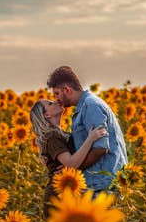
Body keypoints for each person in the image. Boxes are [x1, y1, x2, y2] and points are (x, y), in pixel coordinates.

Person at [47, 66, 128, 199]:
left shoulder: (90, 105)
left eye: (57, 93)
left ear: (67, 90)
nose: (56, 99)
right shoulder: (85, 106)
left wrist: (72, 170)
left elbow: (100, 149)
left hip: (103, 185)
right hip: (99, 183)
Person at [30, 99, 107, 218]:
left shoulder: (62, 134)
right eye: (50, 104)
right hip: (58, 196)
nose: (56, 101)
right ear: (47, 115)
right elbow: (72, 163)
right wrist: (90, 139)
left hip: (68, 191)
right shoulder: (51, 137)